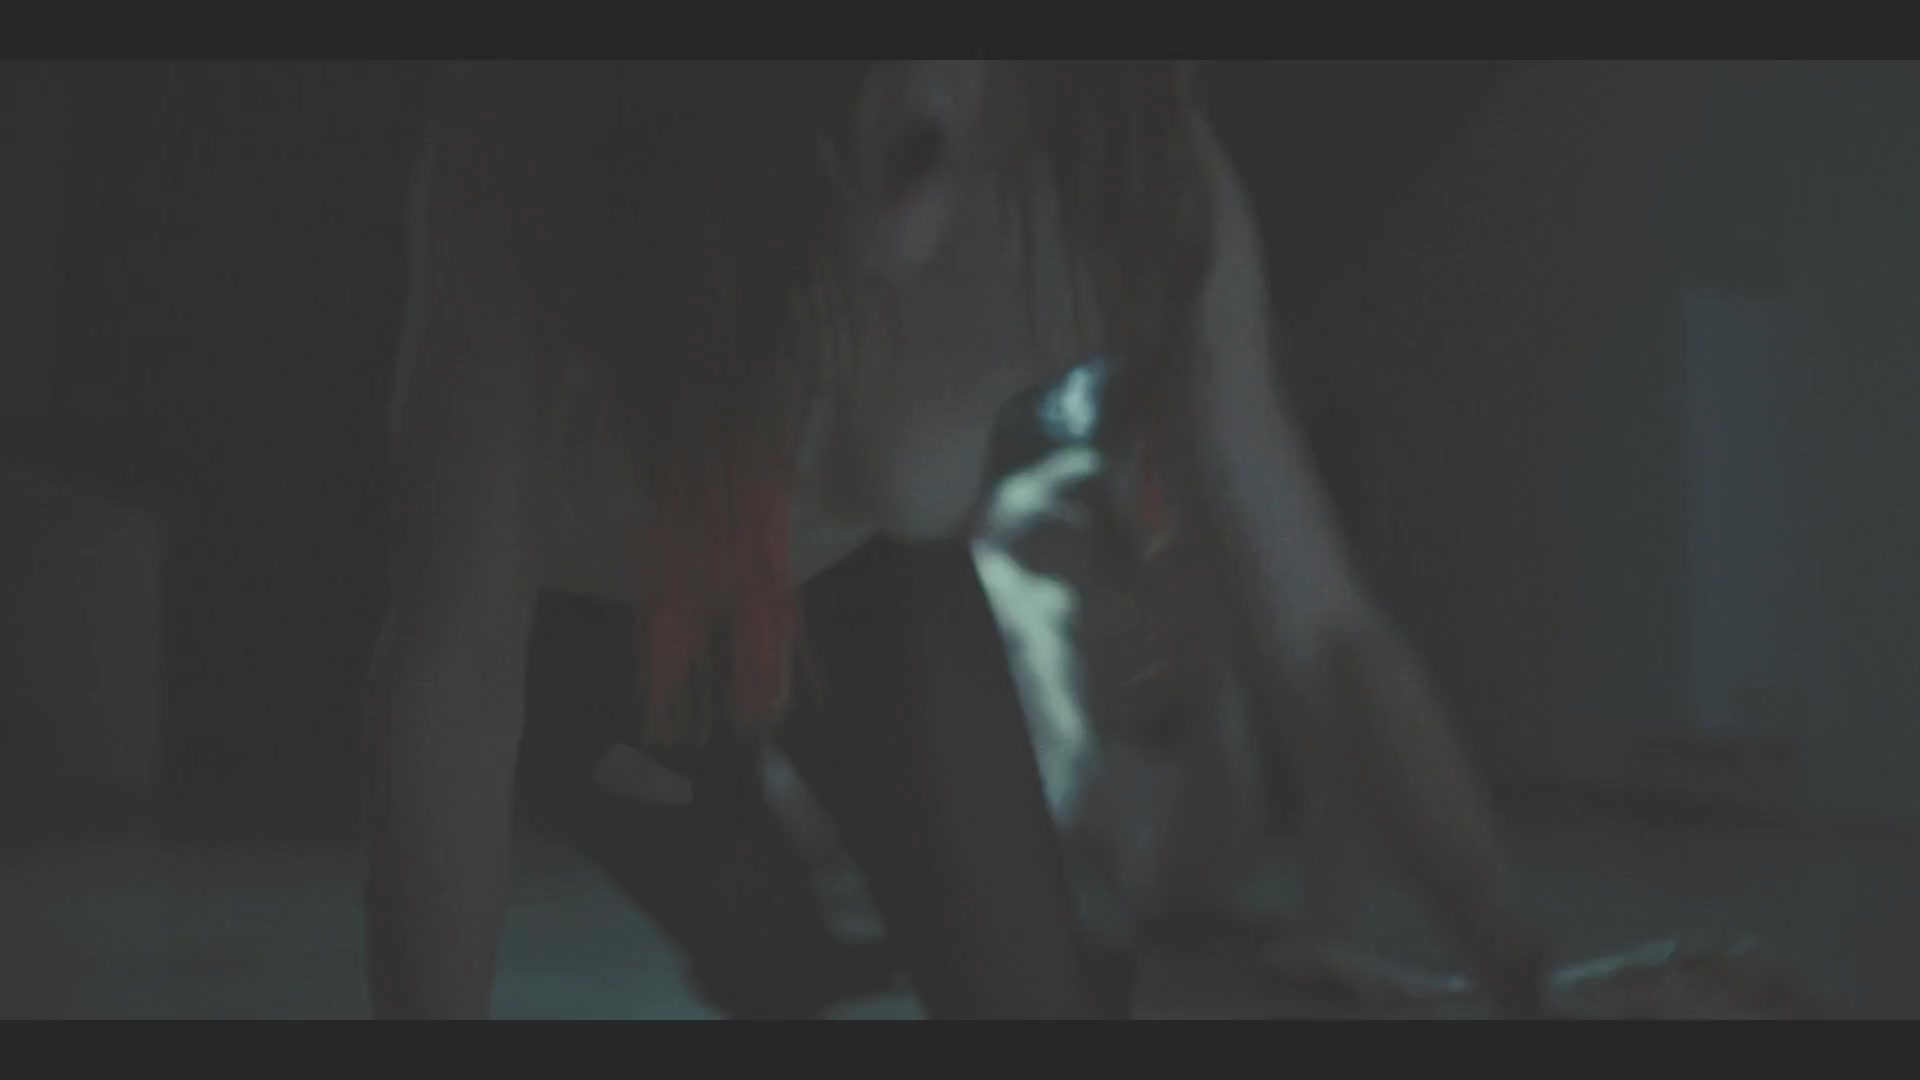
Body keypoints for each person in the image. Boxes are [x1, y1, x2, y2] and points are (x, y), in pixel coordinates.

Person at [363, 60, 1552, 1020]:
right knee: (753, 928)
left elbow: (1326, 636)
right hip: (580, 642)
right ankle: (763, 937)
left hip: (864, 586)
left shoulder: (1133, 198)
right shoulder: (541, 127)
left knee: (1024, 1001)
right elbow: (458, 664)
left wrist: (1523, 981)